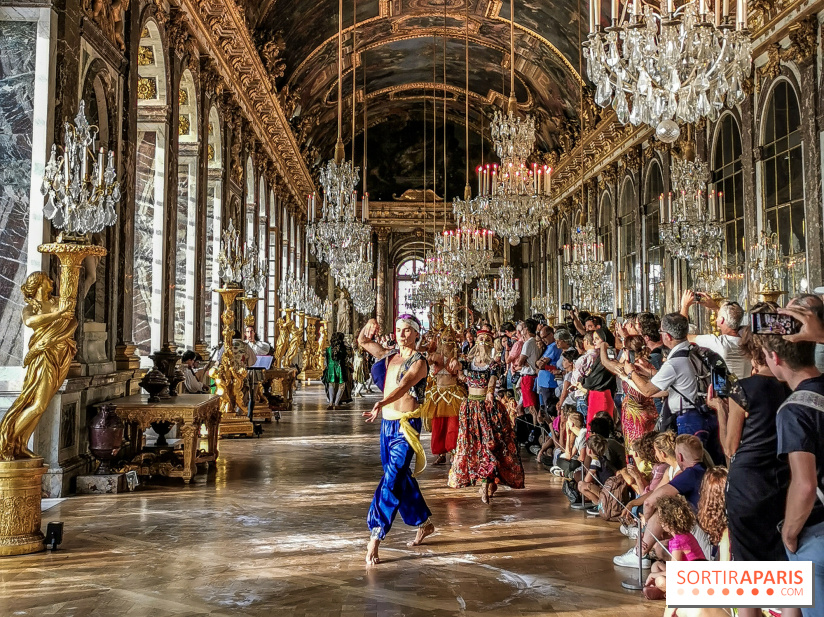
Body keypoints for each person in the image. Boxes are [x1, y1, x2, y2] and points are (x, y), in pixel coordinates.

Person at [706, 304, 790, 564]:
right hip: (784, 478)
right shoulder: (791, 387)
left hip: (749, 482)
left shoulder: (743, 389)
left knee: (747, 558)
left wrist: (720, 409)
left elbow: (730, 447)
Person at [760, 316, 824, 615]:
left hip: (817, 530)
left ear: (774, 358)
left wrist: (789, 531)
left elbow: (805, 484)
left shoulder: (795, 409)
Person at [358, 315, 434, 565]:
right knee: (399, 476)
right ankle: (423, 521)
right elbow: (363, 341)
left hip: (406, 426)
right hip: (386, 425)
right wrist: (369, 323)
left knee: (392, 478)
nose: (401, 334)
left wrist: (382, 402)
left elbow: (403, 385)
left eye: (407, 330)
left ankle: (376, 534)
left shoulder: (419, 362)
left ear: (416, 333)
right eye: (398, 330)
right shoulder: (388, 355)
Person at [449, 326, 525, 503]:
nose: (483, 343)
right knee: (472, 445)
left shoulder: (493, 365)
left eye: (487, 340)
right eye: (481, 339)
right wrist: (454, 361)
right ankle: (484, 480)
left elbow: (492, 379)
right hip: (470, 408)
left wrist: (490, 392)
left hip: (487, 408)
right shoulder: (468, 362)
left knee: (489, 445)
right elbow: (457, 367)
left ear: (491, 344)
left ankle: (487, 482)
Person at [623, 313, 706, 439]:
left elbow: (647, 390)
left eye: (661, 332)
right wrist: (648, 372)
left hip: (686, 418)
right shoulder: (694, 351)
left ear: (668, 336)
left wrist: (631, 372)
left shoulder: (674, 363)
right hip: (701, 412)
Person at [599, 336, 658, 450]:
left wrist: (603, 346)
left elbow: (605, 361)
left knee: (635, 448)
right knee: (649, 446)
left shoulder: (628, 368)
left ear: (626, 350)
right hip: (649, 411)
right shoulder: (649, 366)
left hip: (634, 416)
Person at [681, 291, 751, 380]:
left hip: (726, 388)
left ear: (721, 320)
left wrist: (685, 306)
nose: (716, 319)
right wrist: (714, 307)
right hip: (746, 386)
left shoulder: (718, 343)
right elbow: (729, 319)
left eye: (718, 317)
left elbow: (682, 335)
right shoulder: (747, 340)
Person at [420, 327, 463, 465]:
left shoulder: (457, 357)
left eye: (450, 340)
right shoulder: (435, 356)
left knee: (453, 425)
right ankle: (441, 453)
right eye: (445, 339)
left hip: (453, 394)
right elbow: (424, 360)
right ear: (440, 341)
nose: (448, 342)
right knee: (438, 425)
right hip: (438, 394)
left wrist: (458, 366)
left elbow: (461, 372)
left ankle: (453, 453)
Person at [515, 319, 542, 446]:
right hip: (532, 376)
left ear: (526, 329)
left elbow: (520, 362)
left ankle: (534, 434)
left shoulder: (528, 343)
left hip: (528, 377)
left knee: (532, 408)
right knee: (524, 407)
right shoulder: (536, 341)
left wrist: (522, 363)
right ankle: (527, 434)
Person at [536, 325, 562, 421]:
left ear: (551, 334)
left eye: (544, 337)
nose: (543, 340)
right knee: (544, 411)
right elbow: (537, 363)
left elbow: (541, 364)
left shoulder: (553, 346)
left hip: (549, 383)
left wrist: (540, 363)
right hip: (544, 382)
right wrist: (539, 363)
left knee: (550, 411)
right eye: (541, 338)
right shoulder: (548, 347)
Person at [323, 332, 349, 409]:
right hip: (340, 368)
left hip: (331, 368)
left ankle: (331, 403)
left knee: (331, 385)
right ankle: (337, 403)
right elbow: (346, 359)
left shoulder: (328, 349)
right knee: (341, 385)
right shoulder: (343, 349)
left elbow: (326, 361)